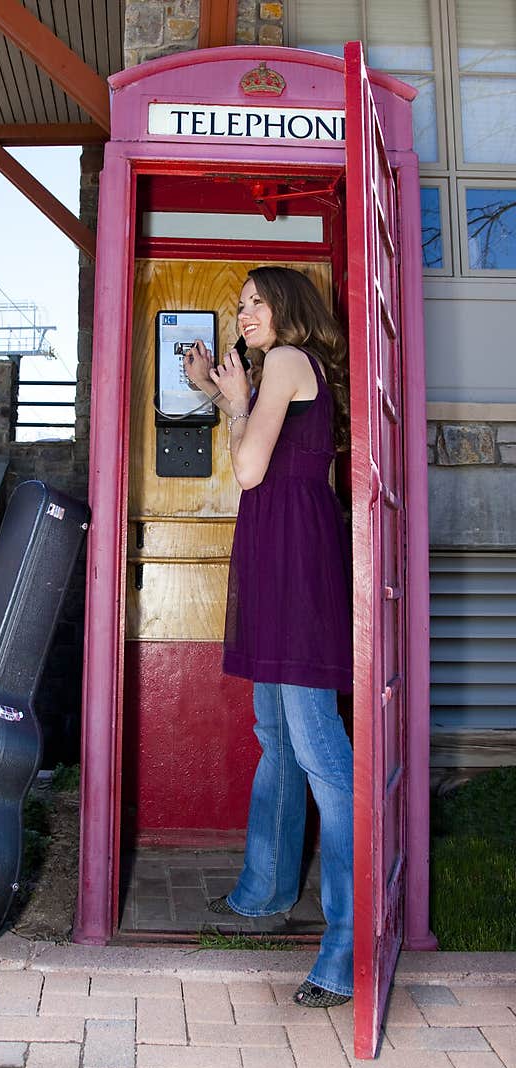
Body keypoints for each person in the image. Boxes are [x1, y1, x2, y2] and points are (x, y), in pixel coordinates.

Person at [183, 266, 354, 1008]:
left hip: (296, 568)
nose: (244, 312)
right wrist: (224, 396)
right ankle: (263, 895)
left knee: (317, 748)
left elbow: (248, 469)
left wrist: (237, 398)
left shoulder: (285, 361)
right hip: (283, 559)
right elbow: (251, 456)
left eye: (256, 301)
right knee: (277, 737)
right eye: (240, 303)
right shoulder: (277, 370)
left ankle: (349, 948)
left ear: (287, 306)